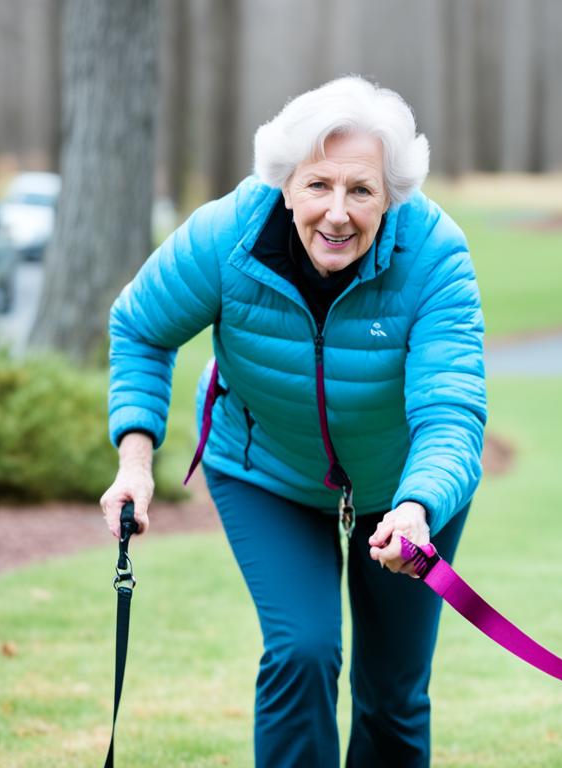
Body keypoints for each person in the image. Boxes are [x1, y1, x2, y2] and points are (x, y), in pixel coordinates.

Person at [99, 76, 485, 767]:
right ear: (285, 184)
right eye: (319, 186)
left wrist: (419, 507)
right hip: (265, 472)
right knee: (302, 650)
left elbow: (451, 411)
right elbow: (140, 327)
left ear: (391, 194)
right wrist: (135, 461)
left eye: (361, 190)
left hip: (405, 492)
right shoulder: (227, 238)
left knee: (393, 691)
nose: (337, 214)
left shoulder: (434, 253)